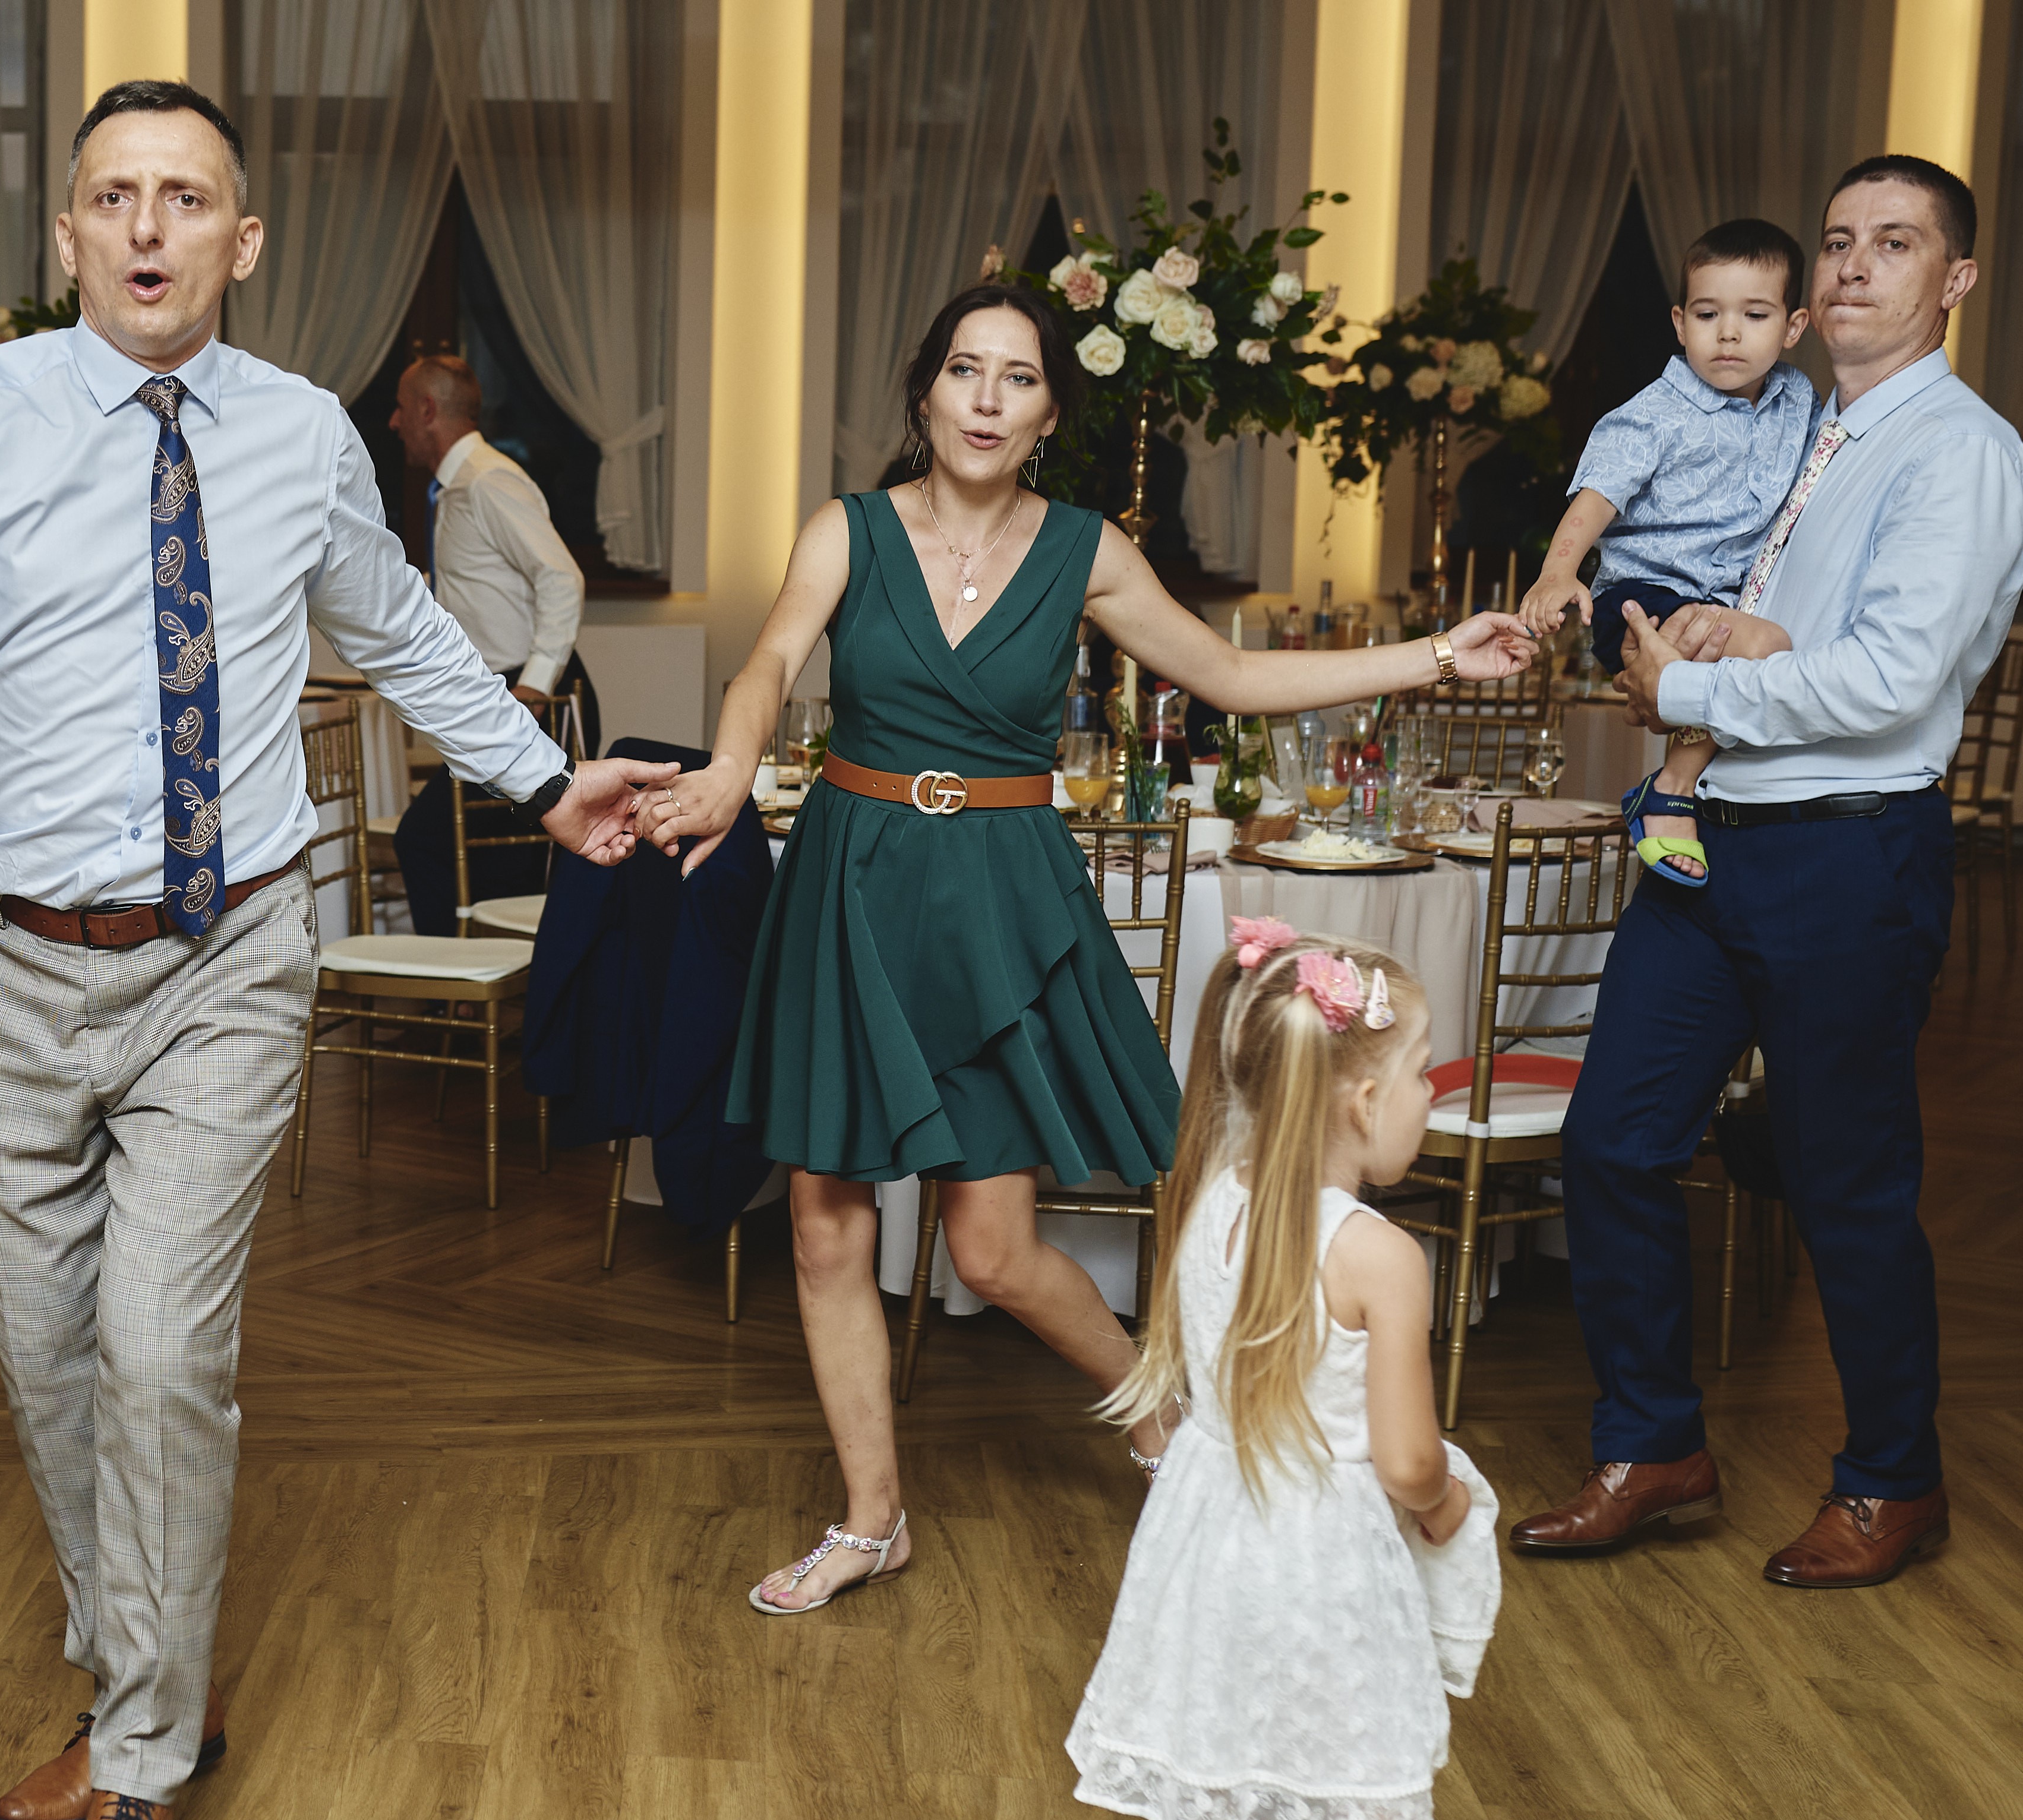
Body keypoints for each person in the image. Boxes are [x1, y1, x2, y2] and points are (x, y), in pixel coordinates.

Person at [0, 80, 675, 1820]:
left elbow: (400, 627)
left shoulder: (303, 438)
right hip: (17, 962)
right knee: (48, 1360)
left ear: (241, 240)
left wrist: (538, 774)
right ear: (66, 235)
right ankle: (144, 1680)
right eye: (111, 195)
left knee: (160, 1349)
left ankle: (138, 1763)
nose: (144, 227)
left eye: (183, 197)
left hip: (228, 952)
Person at [635, 282, 1535, 1616]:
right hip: (854, 886)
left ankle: (1162, 1421)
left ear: (1049, 412)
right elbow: (767, 663)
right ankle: (872, 1518)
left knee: (993, 1250)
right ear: (924, 391)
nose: (985, 399)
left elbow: (1232, 678)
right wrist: (725, 768)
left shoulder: (1084, 548)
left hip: (997, 904)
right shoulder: (849, 529)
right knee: (825, 1229)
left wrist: (1435, 655)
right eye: (964, 370)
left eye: (1017, 378)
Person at [1516, 156, 2023, 1588]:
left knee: (1843, 1179)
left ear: (1955, 279)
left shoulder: (1961, 451)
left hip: (1846, 854)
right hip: (1713, 848)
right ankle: (1654, 1445)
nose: (1855, 264)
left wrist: (1685, 692)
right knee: (1613, 1142)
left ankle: (1892, 1480)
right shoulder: (1804, 430)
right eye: (1841, 239)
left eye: (1895, 243)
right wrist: (1719, 635)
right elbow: (1779, 618)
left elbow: (1893, 678)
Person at [1068, 927, 1494, 1820]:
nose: (1429, 1093)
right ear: (1362, 1100)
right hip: (1324, 1569)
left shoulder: (1213, 1201)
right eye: (1421, 1072)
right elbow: (1404, 1460)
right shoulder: (1378, 1255)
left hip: (1206, 1555)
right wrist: (1446, 1505)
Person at [1519, 219, 1821, 883]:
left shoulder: (1799, 402)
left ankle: (1674, 788)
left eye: (1755, 315)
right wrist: (1557, 571)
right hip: (1640, 596)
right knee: (1765, 646)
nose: (1729, 333)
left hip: (1721, 600)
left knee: (1750, 653)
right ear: (1680, 324)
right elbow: (1597, 496)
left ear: (1793, 327)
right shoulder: (1655, 413)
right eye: (1708, 314)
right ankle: (1671, 790)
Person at [387, 353, 597, 933]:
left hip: (534, 696)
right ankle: (485, 984)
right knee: (496, 867)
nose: (393, 422)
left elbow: (561, 577)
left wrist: (534, 686)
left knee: (428, 841)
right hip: (502, 692)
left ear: (426, 410)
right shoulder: (454, 489)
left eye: (401, 409)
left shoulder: (487, 480)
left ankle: (452, 981)